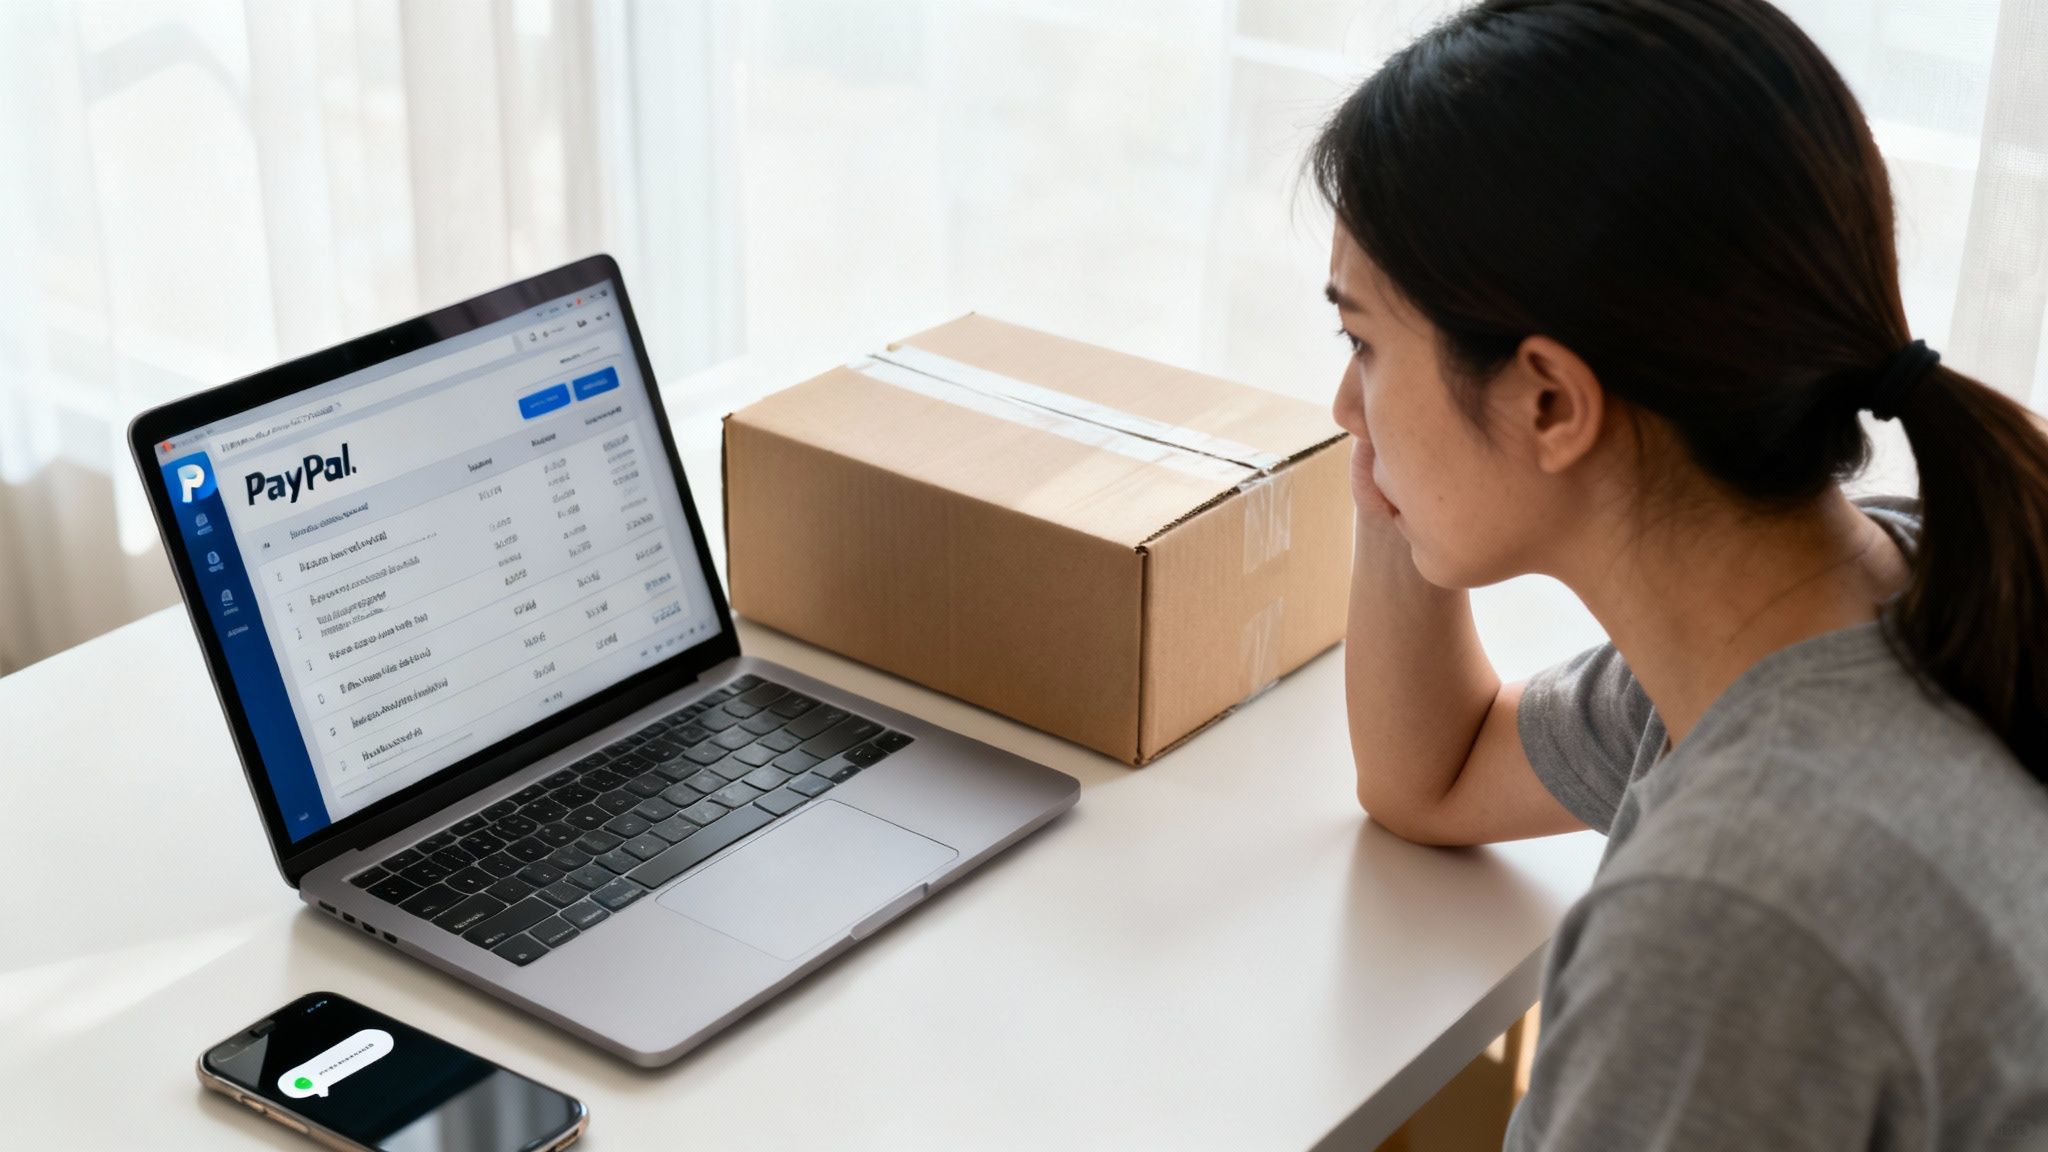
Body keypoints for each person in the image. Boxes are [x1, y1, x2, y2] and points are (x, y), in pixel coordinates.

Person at [1311, 0, 2048, 1146]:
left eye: (1361, 343)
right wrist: (1391, 473)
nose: (1341, 404)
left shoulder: (1730, 913)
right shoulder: (1884, 586)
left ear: (1548, 400)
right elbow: (1430, 777)